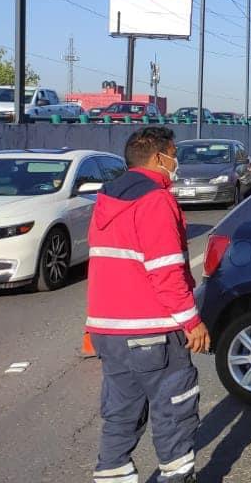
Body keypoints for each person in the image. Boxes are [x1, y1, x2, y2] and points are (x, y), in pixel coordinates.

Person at [86, 126, 208, 483]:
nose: (176, 163)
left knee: (121, 414)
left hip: (109, 329)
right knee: (175, 411)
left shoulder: (106, 200)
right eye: (173, 154)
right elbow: (165, 271)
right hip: (151, 330)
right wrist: (192, 322)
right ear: (158, 158)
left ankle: (112, 475)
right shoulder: (156, 200)